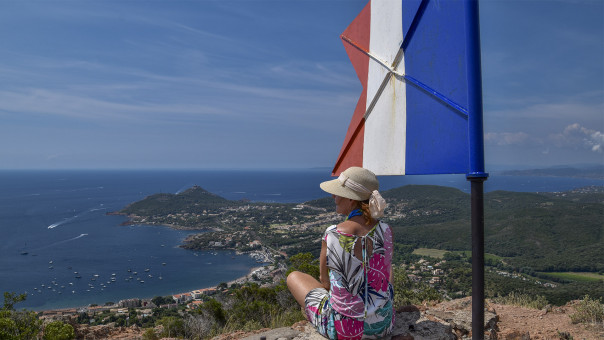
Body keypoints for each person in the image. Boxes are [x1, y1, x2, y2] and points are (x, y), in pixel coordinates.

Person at [287, 166, 394, 339]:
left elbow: (325, 283)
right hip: (384, 326)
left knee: (293, 277)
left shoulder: (333, 234)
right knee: (387, 268)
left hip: (346, 330)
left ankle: (321, 314)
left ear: (351, 200)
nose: (333, 196)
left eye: (338, 193)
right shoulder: (387, 230)